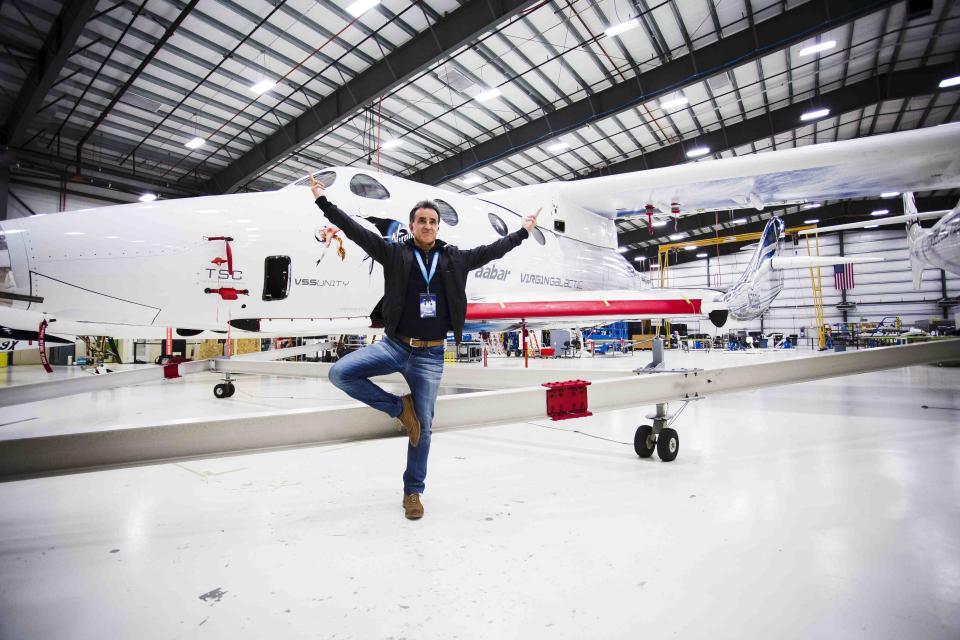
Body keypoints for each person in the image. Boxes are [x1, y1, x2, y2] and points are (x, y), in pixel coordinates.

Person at [310, 174, 539, 520]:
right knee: (340, 373)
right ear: (412, 225)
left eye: (433, 222)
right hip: (395, 345)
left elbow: (492, 252)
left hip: (431, 355)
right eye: (422, 221)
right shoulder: (394, 253)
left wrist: (522, 232)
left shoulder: (454, 259)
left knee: (426, 427)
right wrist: (323, 202)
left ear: (438, 226)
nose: (427, 226)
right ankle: (399, 409)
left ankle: (413, 492)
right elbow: (357, 232)